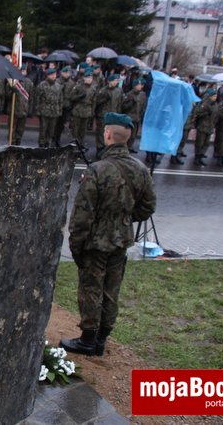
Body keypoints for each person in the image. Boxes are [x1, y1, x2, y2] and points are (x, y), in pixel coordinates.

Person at [60, 112, 156, 356]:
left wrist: (76, 246)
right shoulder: (141, 170)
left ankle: (87, 340)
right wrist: (123, 220)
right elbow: (147, 207)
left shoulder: (97, 170)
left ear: (109, 135)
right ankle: (101, 339)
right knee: (112, 290)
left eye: (104, 130)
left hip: (95, 243)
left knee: (91, 289)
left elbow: (82, 216)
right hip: (121, 241)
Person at [35, 68, 64, 148]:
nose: (54, 76)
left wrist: (59, 110)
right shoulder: (42, 85)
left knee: (51, 130)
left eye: (55, 74)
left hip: (54, 111)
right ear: (47, 75)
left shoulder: (58, 86)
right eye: (51, 74)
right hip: (44, 110)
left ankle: (48, 144)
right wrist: (38, 110)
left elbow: (60, 99)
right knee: (43, 130)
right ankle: (41, 145)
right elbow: (37, 98)